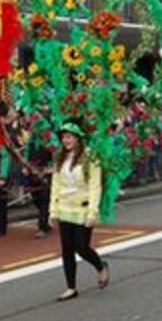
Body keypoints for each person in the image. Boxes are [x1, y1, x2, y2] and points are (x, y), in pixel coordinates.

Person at [49, 122, 110, 301]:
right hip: (64, 208)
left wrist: (92, 212)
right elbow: (55, 185)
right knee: (67, 249)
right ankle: (71, 287)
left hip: (83, 209)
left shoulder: (90, 158)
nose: (65, 140)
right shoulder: (59, 158)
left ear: (78, 138)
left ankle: (100, 266)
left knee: (82, 247)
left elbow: (94, 186)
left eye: (69, 136)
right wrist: (52, 211)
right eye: (63, 137)